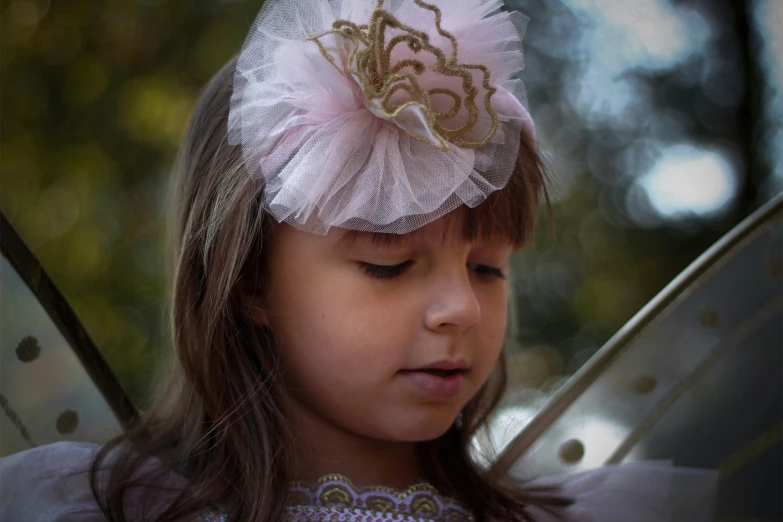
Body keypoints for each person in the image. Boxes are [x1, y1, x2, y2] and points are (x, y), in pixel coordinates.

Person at [0, 0, 718, 520]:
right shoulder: (101, 509)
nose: (461, 309)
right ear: (248, 276)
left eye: (487, 267)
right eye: (389, 264)